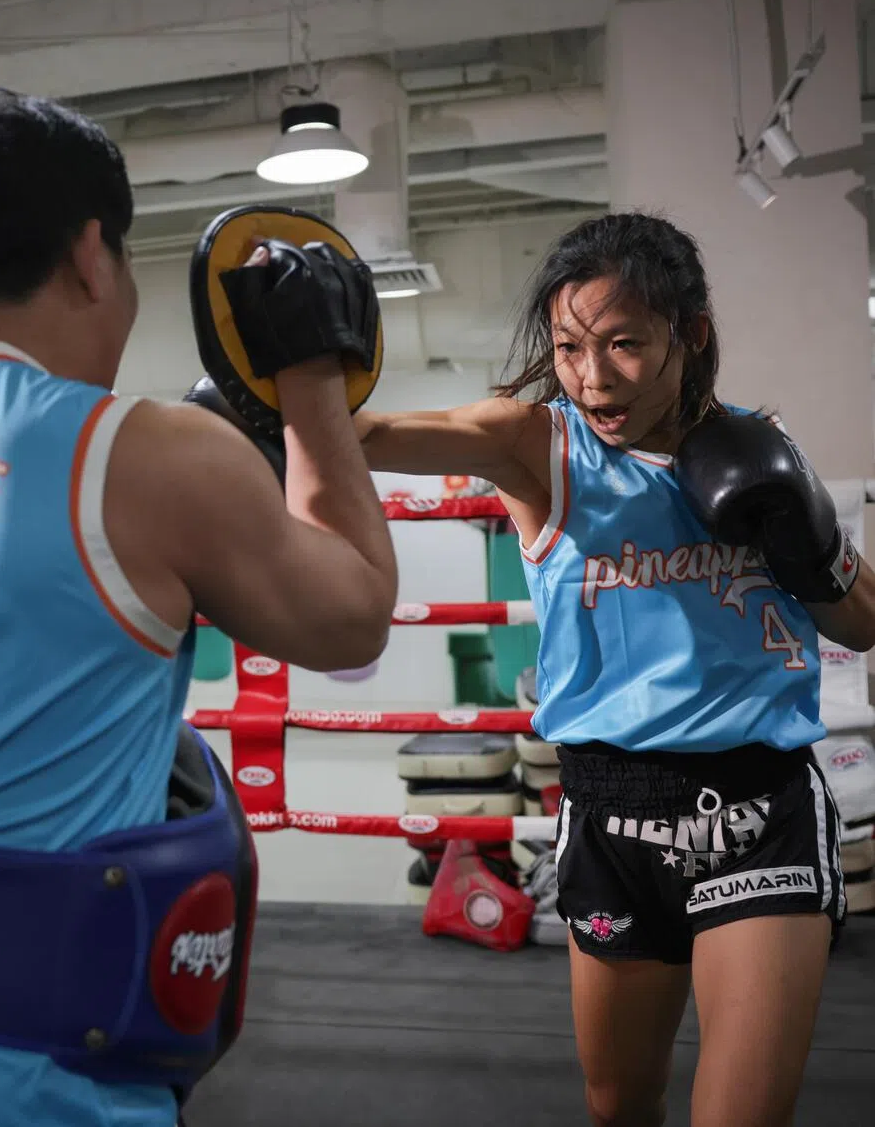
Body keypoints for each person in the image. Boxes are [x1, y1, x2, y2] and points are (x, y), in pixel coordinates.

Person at [0, 85, 397, 1127]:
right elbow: (354, 615)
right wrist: (312, 380)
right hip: (29, 1076)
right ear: (93, 253)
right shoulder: (140, 454)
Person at [354, 212, 875, 1127]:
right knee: (619, 1104)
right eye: (569, 347)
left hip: (758, 817)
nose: (593, 377)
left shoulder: (760, 448)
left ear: (691, 335)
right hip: (609, 813)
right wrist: (285, 389)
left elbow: (864, 623)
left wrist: (809, 535)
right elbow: (385, 434)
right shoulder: (539, 446)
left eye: (625, 343)